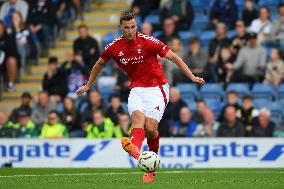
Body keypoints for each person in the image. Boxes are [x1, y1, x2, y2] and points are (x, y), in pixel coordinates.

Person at [76, 11, 205, 183]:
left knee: (151, 128)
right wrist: (88, 85)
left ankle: (151, 168)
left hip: (157, 87)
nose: (130, 30)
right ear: (120, 27)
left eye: (133, 27)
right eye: (127, 27)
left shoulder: (148, 41)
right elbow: (99, 63)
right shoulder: (114, 46)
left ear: (136, 26)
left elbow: (174, 57)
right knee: (137, 119)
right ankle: (135, 150)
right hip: (137, 88)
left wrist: (192, 77)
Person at [0, 20, 19, 91]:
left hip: (5, 62)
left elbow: (12, 52)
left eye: (0, 28)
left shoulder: (8, 38)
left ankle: (11, 84)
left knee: (12, 60)